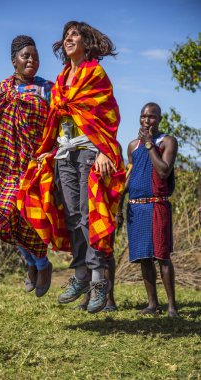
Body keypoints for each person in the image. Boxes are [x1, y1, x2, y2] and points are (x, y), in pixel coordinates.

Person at [17, 21, 125, 313]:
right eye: (65, 35)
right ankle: (80, 276)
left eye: (74, 34)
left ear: (86, 42)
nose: (68, 38)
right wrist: (48, 150)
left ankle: (99, 279)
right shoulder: (62, 77)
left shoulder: (95, 73)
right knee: (73, 215)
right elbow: (58, 121)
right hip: (65, 154)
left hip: (90, 152)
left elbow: (108, 116)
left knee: (91, 216)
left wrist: (104, 150)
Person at [0, 35, 53, 297]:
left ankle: (41, 265)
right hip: (3, 167)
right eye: (26, 56)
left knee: (26, 217)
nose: (31, 60)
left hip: (33, 165)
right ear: (14, 61)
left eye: (35, 56)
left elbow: (58, 124)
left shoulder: (47, 89)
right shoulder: (3, 90)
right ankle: (33, 263)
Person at [119, 102, 179, 317]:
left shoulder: (167, 141)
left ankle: (172, 306)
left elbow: (163, 171)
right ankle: (152, 304)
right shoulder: (132, 146)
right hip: (137, 207)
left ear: (160, 119)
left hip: (157, 204)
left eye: (152, 117)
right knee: (144, 257)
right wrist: (118, 209)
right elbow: (128, 179)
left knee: (162, 255)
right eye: (143, 116)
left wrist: (149, 144)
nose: (147, 120)